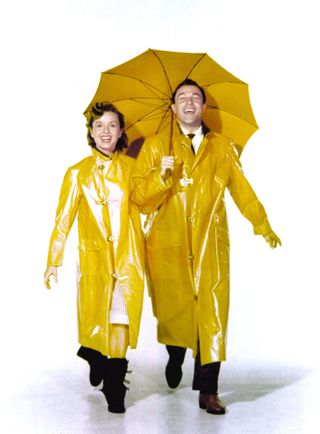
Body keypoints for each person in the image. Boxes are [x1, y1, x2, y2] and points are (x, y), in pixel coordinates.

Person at [131, 79, 281, 415]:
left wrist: (261, 223)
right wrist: (160, 177)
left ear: (202, 106)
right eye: (181, 98)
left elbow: (242, 188)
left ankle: (208, 391)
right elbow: (138, 198)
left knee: (211, 315)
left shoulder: (223, 147)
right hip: (168, 244)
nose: (188, 102)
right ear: (172, 108)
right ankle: (174, 354)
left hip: (210, 244)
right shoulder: (156, 147)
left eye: (194, 97)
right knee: (174, 313)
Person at [44, 102, 144, 413]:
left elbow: (148, 200)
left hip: (127, 260)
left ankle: (115, 384)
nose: (105, 131)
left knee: (122, 320)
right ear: (90, 132)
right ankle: (94, 354)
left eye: (112, 125)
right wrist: (53, 260)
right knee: (97, 319)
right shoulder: (76, 174)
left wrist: (165, 176)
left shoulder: (133, 168)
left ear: (121, 132)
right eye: (98, 125)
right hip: (95, 261)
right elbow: (63, 219)